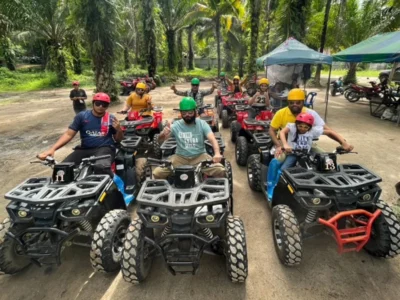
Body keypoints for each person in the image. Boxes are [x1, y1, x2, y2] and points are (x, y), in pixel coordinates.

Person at [38, 93, 123, 176]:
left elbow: (118, 140)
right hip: (84, 149)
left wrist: (119, 130)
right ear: (93, 103)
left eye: (104, 105)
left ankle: (112, 187)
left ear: (107, 106)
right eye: (98, 103)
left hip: (105, 148)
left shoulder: (111, 118)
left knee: (101, 167)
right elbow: (68, 134)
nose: (101, 106)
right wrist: (53, 149)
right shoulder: (82, 116)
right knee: (62, 169)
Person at [153, 97, 225, 180]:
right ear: (181, 113)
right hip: (180, 157)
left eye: (190, 112)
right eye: (184, 113)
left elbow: (212, 139)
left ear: (195, 111)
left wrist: (217, 153)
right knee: (157, 173)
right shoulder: (176, 125)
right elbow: (160, 140)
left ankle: (215, 189)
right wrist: (162, 134)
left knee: (220, 170)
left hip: (200, 156)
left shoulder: (202, 124)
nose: (187, 115)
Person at [269, 88, 353, 158]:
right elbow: (272, 130)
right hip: (286, 144)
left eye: (298, 102)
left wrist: (343, 142)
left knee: (325, 159)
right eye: (291, 102)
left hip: (305, 145)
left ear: (303, 102)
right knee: (279, 161)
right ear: (288, 103)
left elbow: (327, 130)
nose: (295, 105)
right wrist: (279, 145)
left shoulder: (310, 113)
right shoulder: (280, 113)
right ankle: (273, 178)